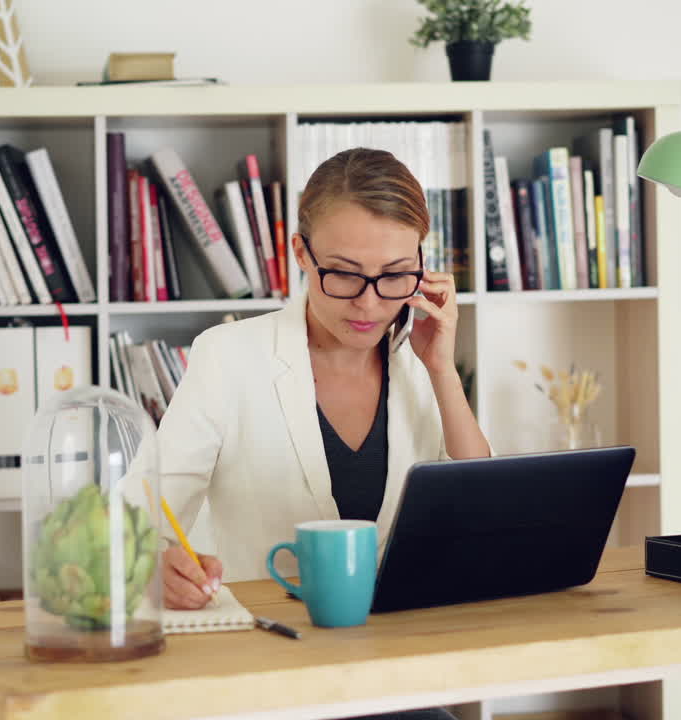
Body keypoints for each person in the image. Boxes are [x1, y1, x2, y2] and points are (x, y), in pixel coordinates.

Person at [156, 147, 491, 606]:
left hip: (410, 634)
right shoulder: (227, 356)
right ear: (302, 253)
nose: (369, 304)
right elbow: (141, 516)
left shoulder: (422, 362)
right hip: (273, 635)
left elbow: (482, 507)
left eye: (395, 275)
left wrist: (441, 369)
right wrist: (155, 564)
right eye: (345, 274)